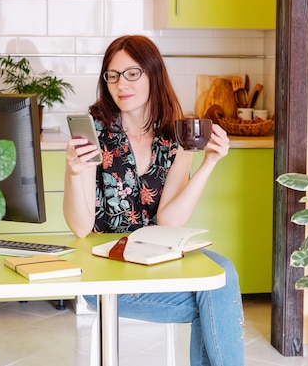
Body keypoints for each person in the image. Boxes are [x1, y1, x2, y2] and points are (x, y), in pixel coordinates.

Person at [63, 35, 244, 366]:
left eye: (132, 73)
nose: (121, 84)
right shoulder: (93, 135)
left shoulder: (176, 138)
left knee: (223, 273)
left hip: (156, 259)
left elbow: (169, 222)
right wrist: (75, 172)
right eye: (113, 75)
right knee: (218, 300)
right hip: (104, 266)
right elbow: (79, 226)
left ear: (153, 75)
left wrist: (209, 163)